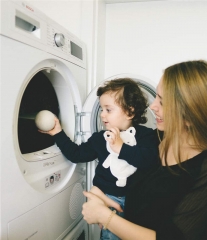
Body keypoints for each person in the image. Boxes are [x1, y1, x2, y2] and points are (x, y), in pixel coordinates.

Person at [82, 60, 207, 240]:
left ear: (191, 113)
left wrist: (105, 217)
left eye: (162, 102)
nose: (152, 106)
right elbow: (137, 192)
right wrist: (102, 196)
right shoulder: (156, 138)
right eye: (156, 96)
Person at [39, 78, 159, 240]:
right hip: (108, 200)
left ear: (130, 112)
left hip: (137, 201)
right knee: (111, 236)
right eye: (101, 109)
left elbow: (148, 162)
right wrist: (58, 133)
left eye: (108, 110)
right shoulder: (100, 138)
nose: (102, 114)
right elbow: (77, 154)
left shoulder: (146, 136)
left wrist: (120, 147)